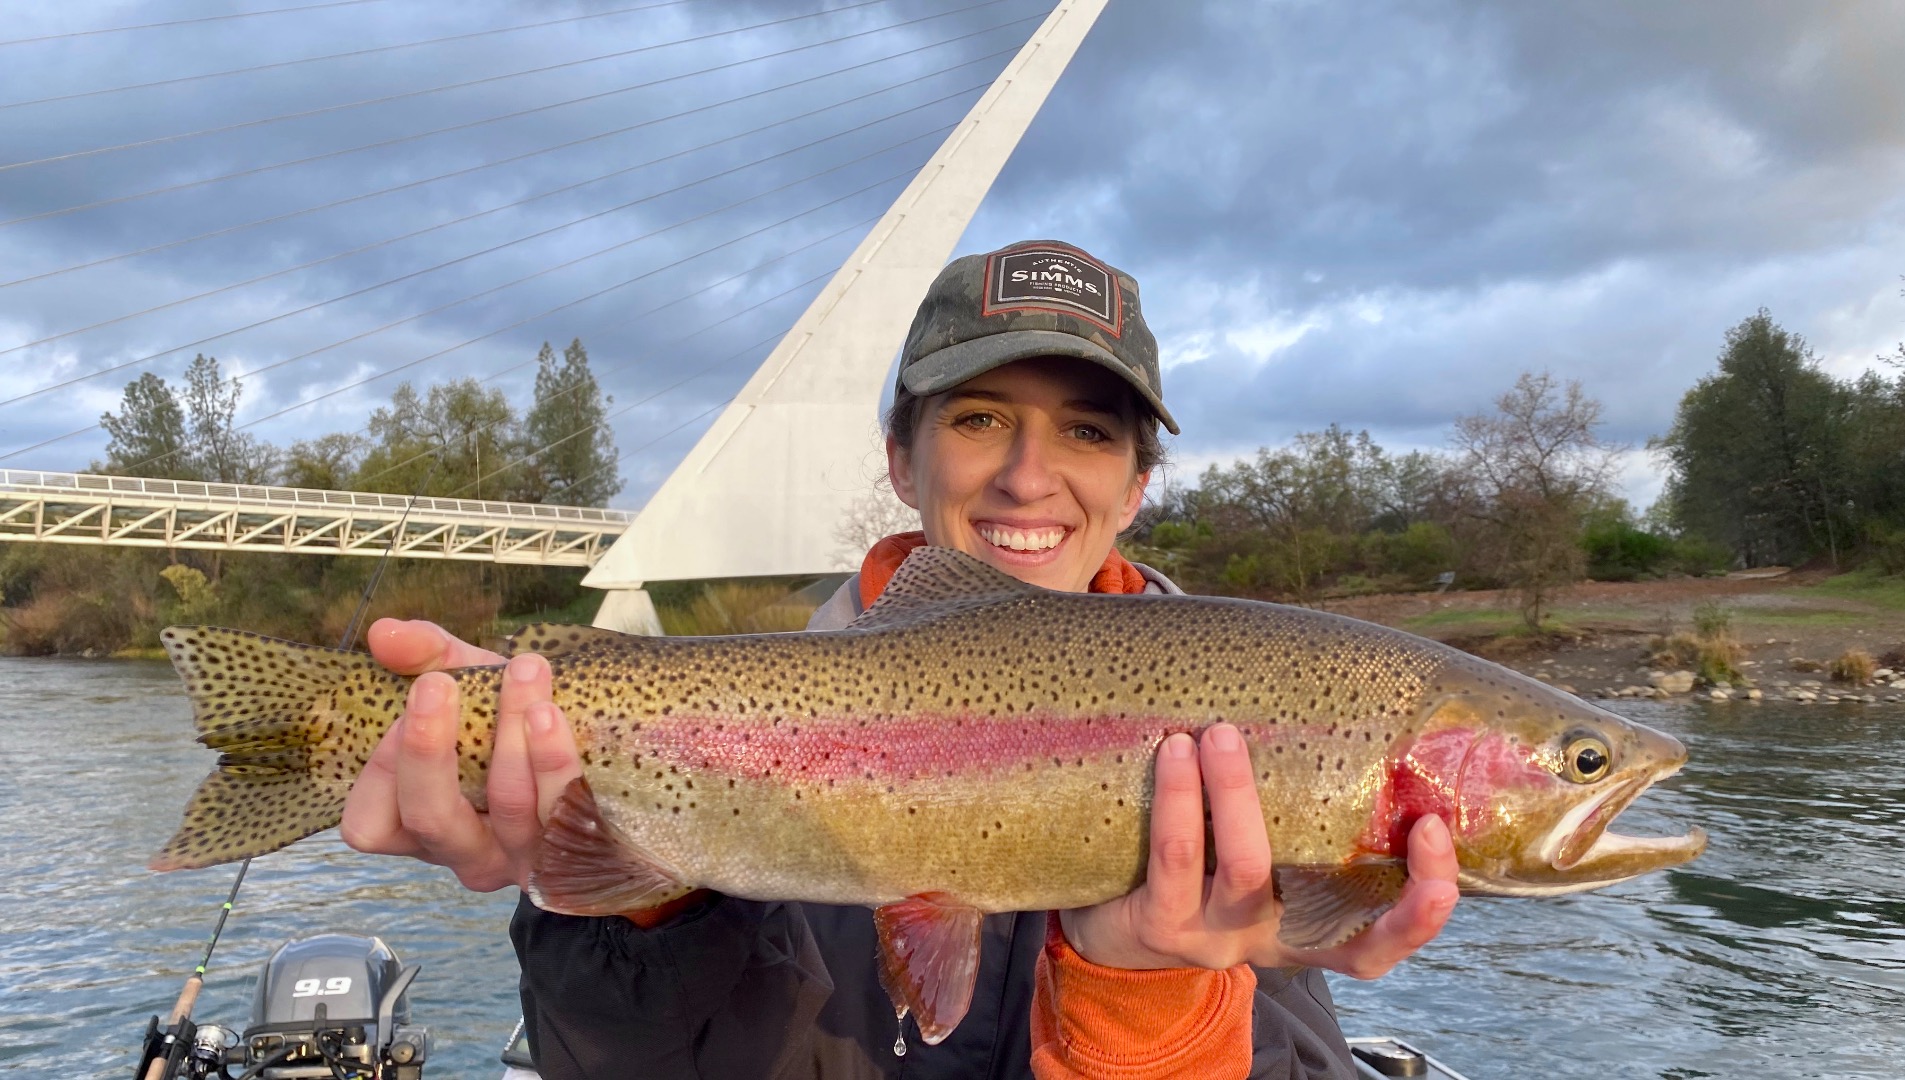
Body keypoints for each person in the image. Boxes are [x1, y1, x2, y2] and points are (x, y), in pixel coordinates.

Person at [340, 240, 1460, 1079]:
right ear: (899, 457)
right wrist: (639, 902)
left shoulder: (1255, 743)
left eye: (1087, 431)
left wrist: (1150, 993)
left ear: (1137, 485)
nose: (1029, 476)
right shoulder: (718, 708)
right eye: (979, 419)